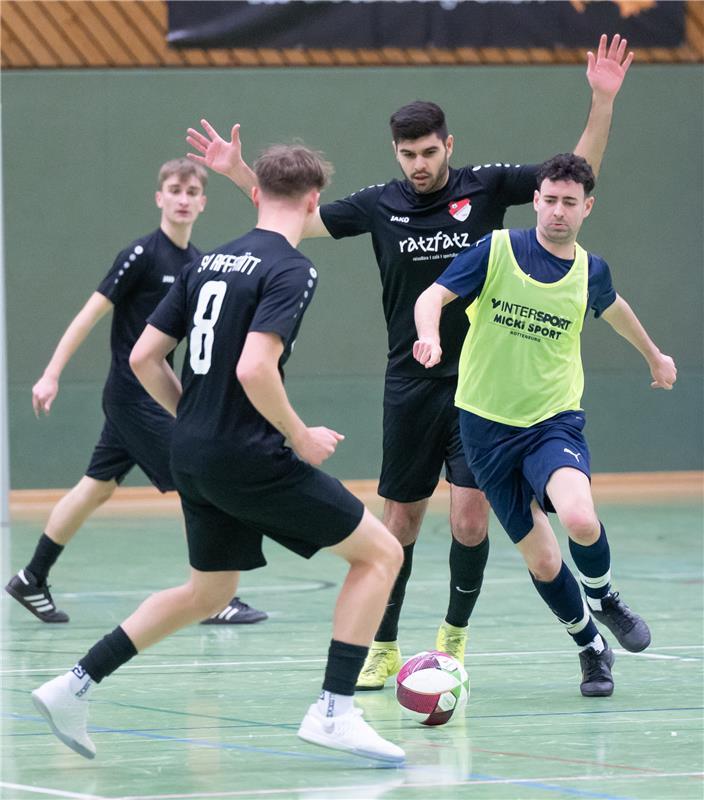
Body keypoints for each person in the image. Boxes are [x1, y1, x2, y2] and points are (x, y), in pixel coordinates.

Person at [185, 33, 634, 688]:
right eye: (408, 154)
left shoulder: (486, 189)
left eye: (429, 152)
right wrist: (235, 172)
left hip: (479, 387)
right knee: (399, 520)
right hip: (409, 382)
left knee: (472, 515)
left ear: (447, 146)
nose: (419, 163)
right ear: (396, 153)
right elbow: (296, 217)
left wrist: (602, 102)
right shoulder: (378, 203)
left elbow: (572, 176)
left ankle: (453, 638)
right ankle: (384, 645)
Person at [31, 143, 406, 763]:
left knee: (208, 593)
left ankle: (73, 684)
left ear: (256, 193)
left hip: (193, 453)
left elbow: (142, 358)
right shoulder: (291, 267)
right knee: (380, 555)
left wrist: (198, 421)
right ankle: (335, 710)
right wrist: (299, 436)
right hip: (249, 458)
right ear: (313, 202)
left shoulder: (209, 262)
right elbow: (257, 366)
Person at [413, 152, 676, 695]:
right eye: (549, 200)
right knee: (544, 559)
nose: (558, 211)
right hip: (485, 429)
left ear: (587, 208)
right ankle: (591, 648)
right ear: (536, 200)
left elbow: (615, 306)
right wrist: (431, 334)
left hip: (552, 420)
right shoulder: (497, 250)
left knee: (579, 518)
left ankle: (605, 598)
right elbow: (432, 295)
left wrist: (653, 355)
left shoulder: (590, 270)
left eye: (569, 203)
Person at [5, 158, 266, 626]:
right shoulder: (141, 255)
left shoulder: (198, 264)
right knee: (199, 481)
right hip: (133, 397)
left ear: (203, 202)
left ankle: (31, 577)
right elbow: (89, 314)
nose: (183, 198)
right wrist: (51, 373)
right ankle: (215, 595)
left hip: (153, 396)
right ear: (159, 197)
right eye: (175, 189)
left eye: (191, 192)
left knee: (94, 489)